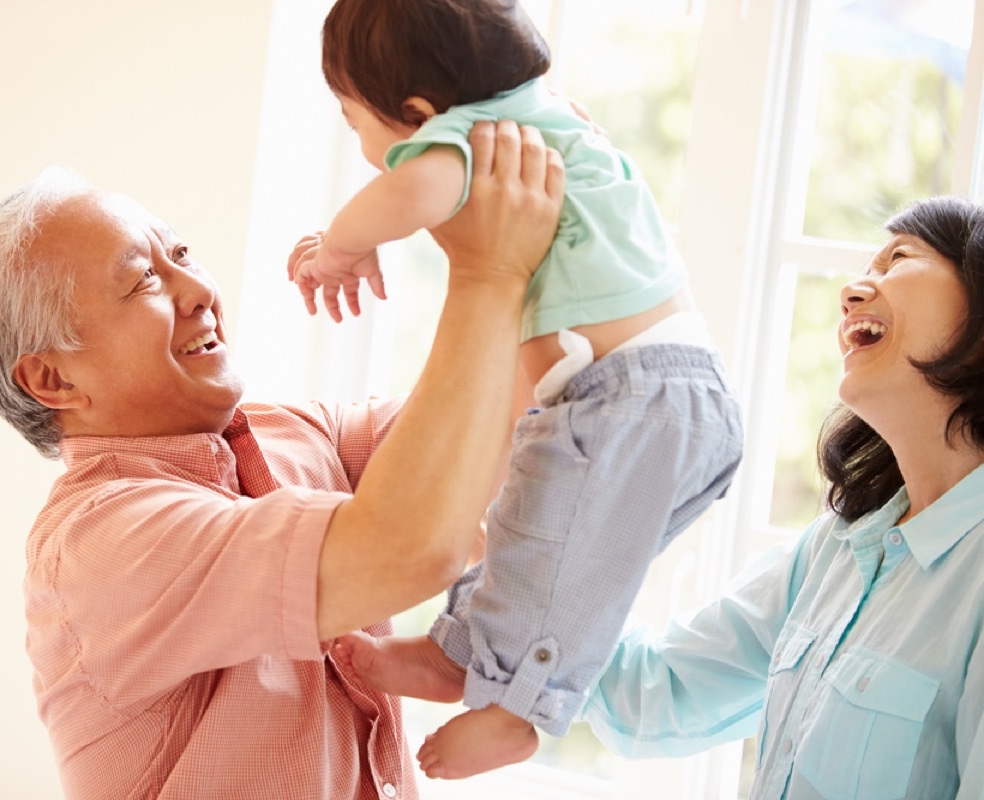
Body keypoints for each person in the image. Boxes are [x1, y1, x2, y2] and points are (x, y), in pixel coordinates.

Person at [0, 120, 565, 800]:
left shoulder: (299, 434)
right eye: (144, 279)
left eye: (181, 253)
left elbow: (514, 423)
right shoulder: (102, 542)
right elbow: (411, 547)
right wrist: (490, 271)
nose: (198, 290)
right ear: (54, 381)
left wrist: (557, 203)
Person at [350, 195, 984, 797]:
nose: (851, 292)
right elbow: (656, 691)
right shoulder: (840, 546)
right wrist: (520, 561)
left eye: (900, 258)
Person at [293, 0, 744, 779]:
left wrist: (338, 248)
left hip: (627, 397)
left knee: (552, 553)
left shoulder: (466, 143)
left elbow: (412, 193)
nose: (362, 146)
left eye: (352, 119)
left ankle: (516, 712)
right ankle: (459, 655)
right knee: (534, 539)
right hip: (660, 397)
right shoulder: (549, 116)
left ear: (416, 113)